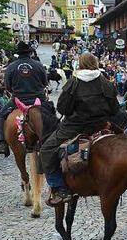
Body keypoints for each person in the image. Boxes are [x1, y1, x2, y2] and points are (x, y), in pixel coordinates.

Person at [39, 53, 120, 206]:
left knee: (46, 149)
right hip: (101, 125)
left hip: (75, 127)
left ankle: (59, 187)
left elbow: (63, 108)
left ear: (80, 64)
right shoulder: (105, 82)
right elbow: (114, 109)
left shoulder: (73, 82)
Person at [0, 42, 48, 157]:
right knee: (51, 114)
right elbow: (45, 83)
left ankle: (2, 142)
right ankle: (54, 138)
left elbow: (7, 86)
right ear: (30, 52)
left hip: (18, 100)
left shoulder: (11, 66)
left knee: (2, 116)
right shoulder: (38, 65)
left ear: (18, 54)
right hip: (38, 99)